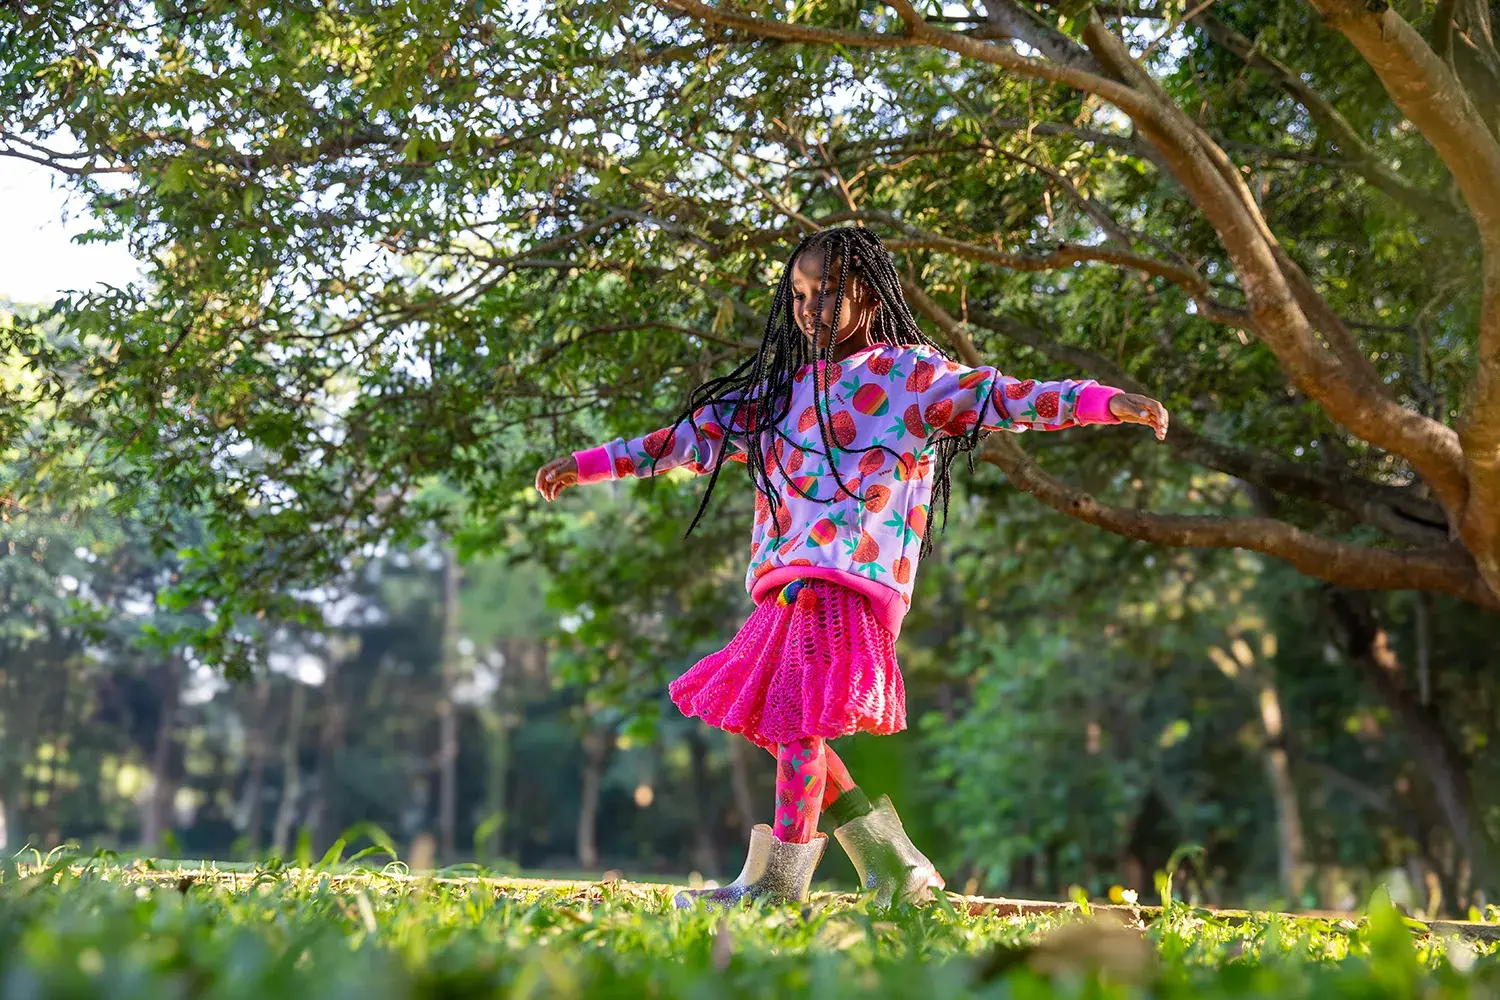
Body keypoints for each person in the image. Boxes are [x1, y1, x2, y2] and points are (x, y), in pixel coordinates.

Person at [536, 227, 1168, 908]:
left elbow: (1007, 397)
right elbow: (685, 439)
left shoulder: (910, 375)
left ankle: (780, 884)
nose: (811, 307)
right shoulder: (776, 393)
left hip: (850, 584)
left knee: (798, 724)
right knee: (769, 719)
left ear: (867, 291)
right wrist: (587, 464)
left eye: (829, 290)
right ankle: (893, 864)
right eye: (801, 294)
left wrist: (1108, 402)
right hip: (789, 586)